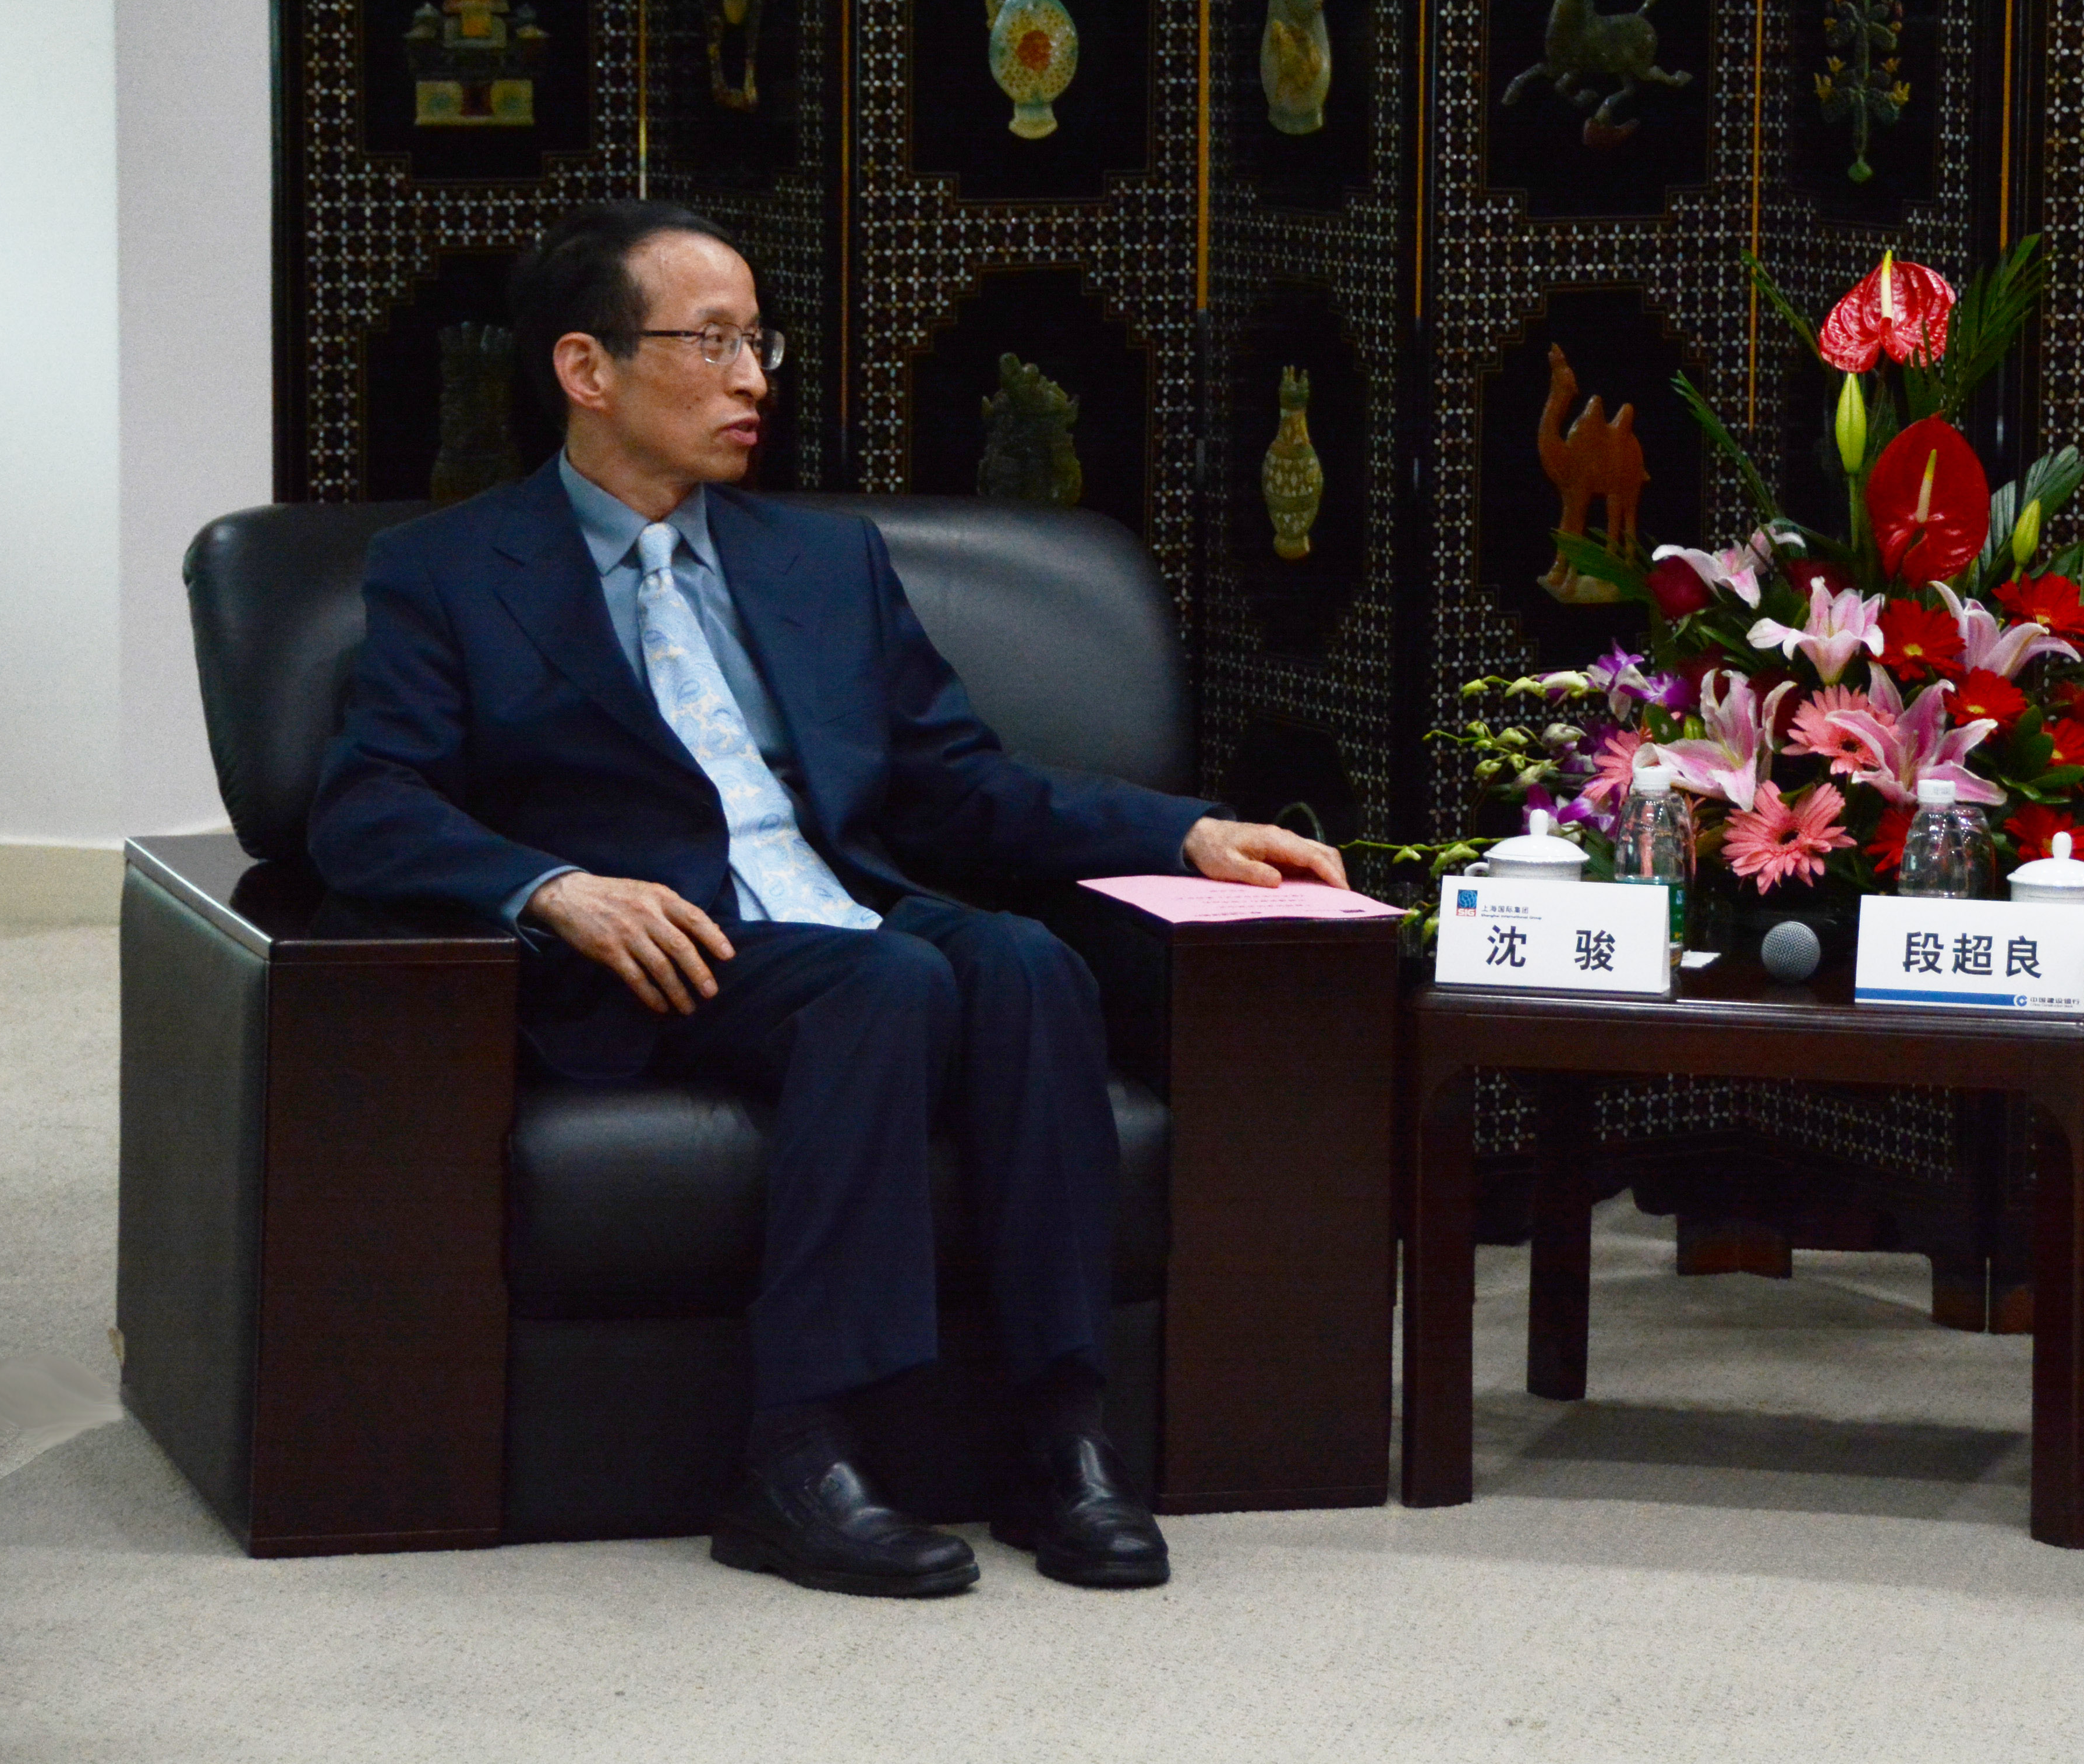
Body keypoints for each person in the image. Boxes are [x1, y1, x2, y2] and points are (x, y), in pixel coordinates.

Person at [312, 202, 1343, 1601]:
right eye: (713, 343)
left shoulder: (821, 558)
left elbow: (959, 784)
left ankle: (1061, 1431)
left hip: (846, 914)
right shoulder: (449, 571)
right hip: (657, 955)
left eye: (761, 342)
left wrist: (1191, 829)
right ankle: (795, 1455)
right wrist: (552, 888)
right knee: (893, 981)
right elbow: (367, 802)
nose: (754, 378)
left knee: (1027, 960)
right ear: (586, 367)